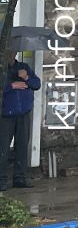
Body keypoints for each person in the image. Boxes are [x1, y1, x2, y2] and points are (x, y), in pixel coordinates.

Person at [1, 53, 41, 190]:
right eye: (9, 51)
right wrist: (11, 85)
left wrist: (26, 77)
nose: (11, 54)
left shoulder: (24, 67)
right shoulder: (2, 68)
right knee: (3, 148)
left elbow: (37, 84)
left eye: (13, 51)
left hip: (23, 113)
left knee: (23, 146)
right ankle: (1, 180)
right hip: (5, 114)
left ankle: (20, 178)